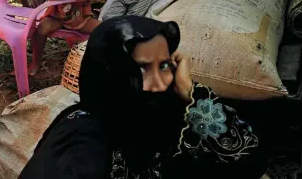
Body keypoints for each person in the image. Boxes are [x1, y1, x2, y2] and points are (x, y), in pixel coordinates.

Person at [20, 16, 270, 179]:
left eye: (163, 65)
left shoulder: (166, 112)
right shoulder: (81, 139)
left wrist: (189, 91)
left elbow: (249, 157)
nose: (161, 84)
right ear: (109, 73)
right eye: (141, 69)